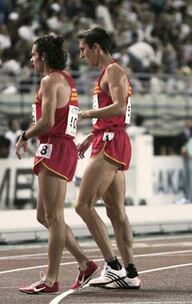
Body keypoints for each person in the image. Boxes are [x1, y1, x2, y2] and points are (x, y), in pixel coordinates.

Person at [16, 35, 98, 294]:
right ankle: (85, 264)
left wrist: (24, 135)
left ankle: (51, 280)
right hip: (60, 147)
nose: (31, 59)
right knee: (45, 216)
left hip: (55, 146)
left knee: (54, 217)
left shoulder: (50, 80)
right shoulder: (66, 80)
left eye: (33, 54)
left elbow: (48, 121)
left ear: (44, 57)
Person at [76, 27, 141, 289]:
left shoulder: (113, 70)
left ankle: (112, 266)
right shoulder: (108, 72)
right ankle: (131, 273)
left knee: (83, 205)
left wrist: (87, 115)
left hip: (111, 142)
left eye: (83, 50)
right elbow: (114, 115)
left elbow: (119, 107)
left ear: (96, 48)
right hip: (110, 138)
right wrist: (92, 136)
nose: (81, 56)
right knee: (116, 212)